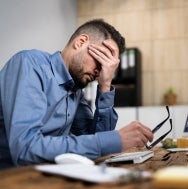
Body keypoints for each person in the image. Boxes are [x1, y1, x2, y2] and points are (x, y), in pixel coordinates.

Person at [0, 19, 153, 169]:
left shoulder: (76, 90)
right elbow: (25, 150)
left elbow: (94, 140)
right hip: (10, 180)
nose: (101, 71)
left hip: (45, 177)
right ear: (80, 42)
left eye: (107, 66)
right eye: (100, 61)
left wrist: (105, 85)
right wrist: (115, 140)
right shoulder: (30, 65)